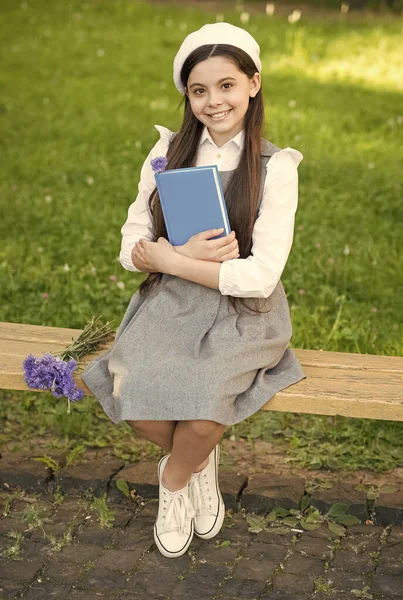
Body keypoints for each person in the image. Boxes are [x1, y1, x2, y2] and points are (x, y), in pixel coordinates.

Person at [81, 22, 307, 559]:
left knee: (205, 410)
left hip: (243, 312)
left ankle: (177, 481)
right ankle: (198, 461)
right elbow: (131, 243)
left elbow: (259, 276)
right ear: (187, 95)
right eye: (199, 90)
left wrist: (171, 260)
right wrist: (171, 257)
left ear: (253, 83)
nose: (214, 101)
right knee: (133, 396)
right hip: (172, 306)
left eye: (226, 85)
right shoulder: (167, 154)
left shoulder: (277, 168)